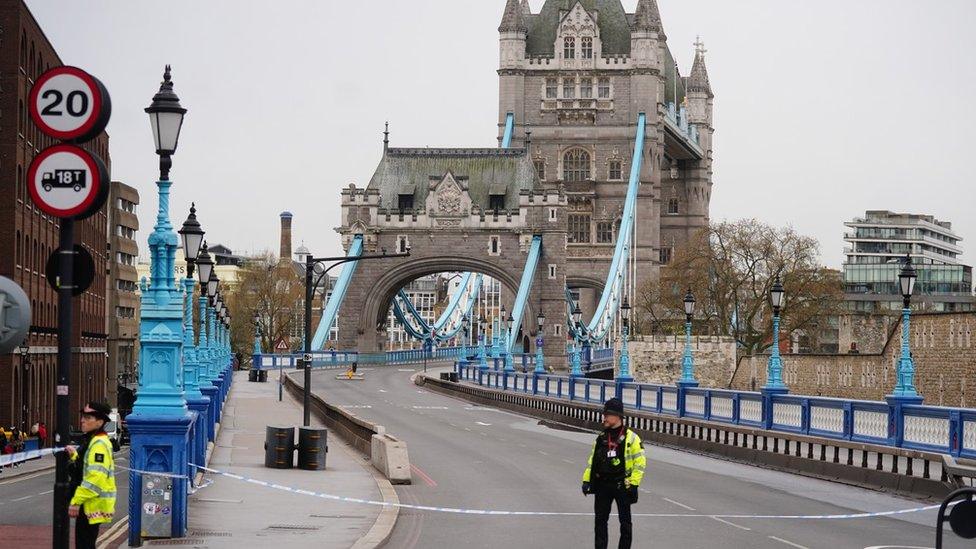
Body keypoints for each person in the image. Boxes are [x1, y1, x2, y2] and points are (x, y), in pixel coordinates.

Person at [581, 397, 646, 549]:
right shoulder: (602, 438)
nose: (604, 417)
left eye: (607, 414)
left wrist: (634, 484)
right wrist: (586, 481)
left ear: (617, 416)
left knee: (625, 524)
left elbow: (640, 463)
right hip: (603, 485)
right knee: (600, 522)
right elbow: (592, 462)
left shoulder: (632, 438)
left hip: (622, 485)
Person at [67, 402, 117, 549]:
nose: (82, 420)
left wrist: (76, 501)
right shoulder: (94, 440)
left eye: (88, 417)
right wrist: (75, 456)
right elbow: (86, 468)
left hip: (91, 504)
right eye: (83, 416)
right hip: (90, 504)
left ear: (100, 422)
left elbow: (94, 479)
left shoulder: (99, 444)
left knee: (85, 545)